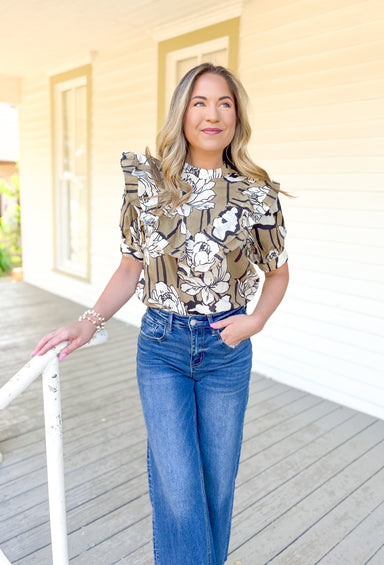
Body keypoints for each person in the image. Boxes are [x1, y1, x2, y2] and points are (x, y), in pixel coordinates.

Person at [32, 63, 289, 565]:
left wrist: (255, 321)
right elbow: (131, 267)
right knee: (178, 490)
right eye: (200, 102)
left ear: (237, 115)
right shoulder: (148, 184)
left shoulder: (258, 194)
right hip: (163, 348)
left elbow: (277, 273)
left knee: (216, 489)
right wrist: (90, 320)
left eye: (224, 103)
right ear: (182, 113)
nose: (212, 114)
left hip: (226, 349)